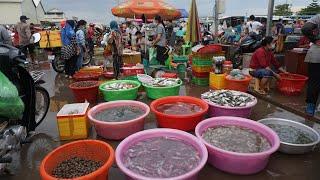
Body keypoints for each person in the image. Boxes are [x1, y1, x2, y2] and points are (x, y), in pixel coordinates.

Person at [301, 14, 320, 116]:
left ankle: (310, 107)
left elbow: (305, 28)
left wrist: (315, 39)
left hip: (316, 54)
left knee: (314, 82)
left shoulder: (318, 17)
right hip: (317, 54)